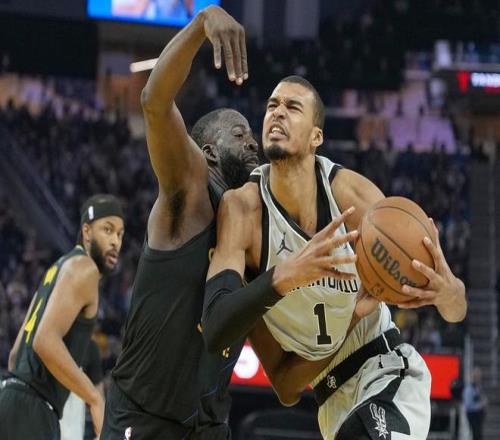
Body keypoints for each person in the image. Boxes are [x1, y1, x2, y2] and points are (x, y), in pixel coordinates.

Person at [202, 75, 467, 439]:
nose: (277, 113)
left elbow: (455, 310)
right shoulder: (243, 213)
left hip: (386, 373)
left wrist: (448, 291)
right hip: (332, 407)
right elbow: (285, 385)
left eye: (292, 107)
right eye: (272, 105)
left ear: (317, 137)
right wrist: (342, 312)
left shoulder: (350, 196)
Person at [100, 5, 263, 439]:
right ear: (207, 152)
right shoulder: (192, 192)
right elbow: (154, 102)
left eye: (252, 135)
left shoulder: (253, 222)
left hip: (208, 426)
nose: (253, 143)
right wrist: (201, 21)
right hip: (145, 418)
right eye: (239, 134)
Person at [0, 193, 125, 439]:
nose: (115, 242)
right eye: (107, 230)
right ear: (86, 232)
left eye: (120, 234)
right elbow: (44, 340)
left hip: (10, 398)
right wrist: (94, 398)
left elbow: (15, 356)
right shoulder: (86, 267)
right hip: (33, 411)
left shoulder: (57, 268)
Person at [463, 367, 487, 440]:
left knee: (479, 434)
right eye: (477, 377)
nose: (479, 379)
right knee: (475, 434)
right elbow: (468, 405)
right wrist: (480, 405)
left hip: (479, 415)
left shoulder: (478, 387)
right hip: (472, 414)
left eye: (479, 377)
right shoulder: (469, 389)